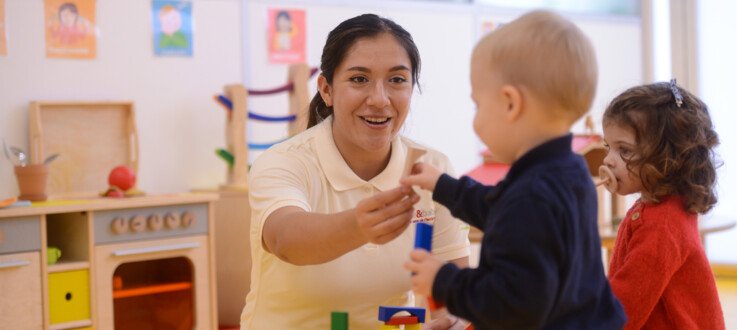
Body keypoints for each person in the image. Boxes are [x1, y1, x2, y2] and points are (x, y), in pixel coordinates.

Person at [240, 14, 470, 330]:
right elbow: (285, 237)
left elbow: (447, 295)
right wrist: (359, 226)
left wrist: (451, 321)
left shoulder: (432, 167)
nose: (379, 99)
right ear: (327, 89)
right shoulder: (284, 162)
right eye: (359, 79)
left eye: (398, 79)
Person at [401, 10, 626, 329]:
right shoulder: (567, 169)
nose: (475, 120)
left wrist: (444, 281)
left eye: (478, 105)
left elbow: (513, 304)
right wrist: (443, 186)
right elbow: (499, 209)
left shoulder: (531, 194)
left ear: (510, 104)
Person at [603, 80, 725, 329]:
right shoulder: (659, 206)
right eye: (609, 147)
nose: (608, 160)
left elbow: (625, 306)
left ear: (668, 156)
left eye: (624, 151)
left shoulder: (662, 224)